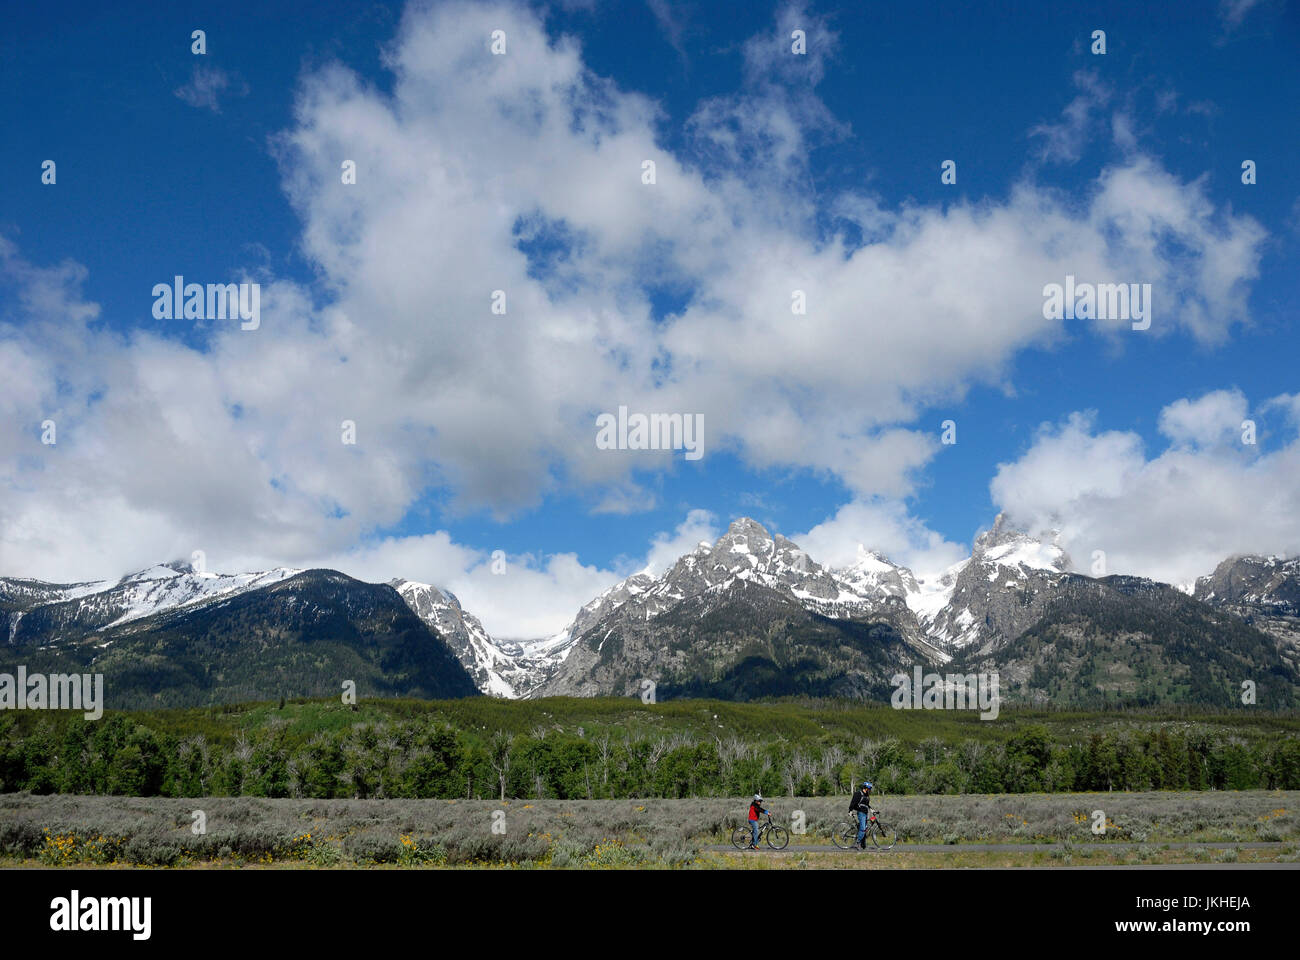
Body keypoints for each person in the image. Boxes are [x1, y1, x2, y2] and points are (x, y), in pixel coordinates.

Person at [849, 780, 874, 849]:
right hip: (860, 813)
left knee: (864, 829)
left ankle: (863, 844)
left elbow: (867, 804)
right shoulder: (858, 793)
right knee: (863, 829)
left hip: (866, 813)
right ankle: (858, 842)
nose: (870, 790)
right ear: (865, 788)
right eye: (869, 788)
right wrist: (850, 810)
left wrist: (871, 809)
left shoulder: (867, 795)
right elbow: (853, 802)